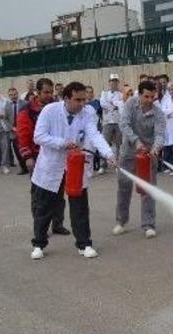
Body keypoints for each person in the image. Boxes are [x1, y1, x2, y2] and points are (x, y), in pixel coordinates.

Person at [30, 81, 115, 260]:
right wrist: (62, 143)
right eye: (78, 100)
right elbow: (38, 136)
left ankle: (84, 244)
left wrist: (108, 153)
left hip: (75, 166)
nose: (82, 104)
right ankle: (39, 243)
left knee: (80, 207)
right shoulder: (50, 111)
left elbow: (94, 134)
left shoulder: (88, 112)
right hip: (51, 166)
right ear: (66, 98)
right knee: (44, 207)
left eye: (84, 99)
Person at [17, 78, 70, 237]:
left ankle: (57, 224)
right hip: (37, 157)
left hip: (57, 155)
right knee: (39, 195)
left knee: (59, 192)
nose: (49, 95)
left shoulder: (58, 107)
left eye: (51, 92)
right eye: (46, 92)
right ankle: (40, 227)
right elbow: (23, 135)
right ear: (37, 93)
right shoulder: (26, 111)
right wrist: (27, 157)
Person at [115, 80, 166, 239]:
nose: (150, 100)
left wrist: (156, 148)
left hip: (148, 155)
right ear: (139, 94)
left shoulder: (158, 113)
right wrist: (136, 141)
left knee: (148, 189)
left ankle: (148, 224)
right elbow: (124, 125)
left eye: (153, 97)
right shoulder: (130, 104)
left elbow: (160, 134)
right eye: (147, 96)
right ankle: (121, 221)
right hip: (128, 153)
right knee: (124, 187)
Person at [99, 74, 125, 173]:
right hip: (107, 122)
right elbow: (103, 104)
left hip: (118, 121)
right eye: (112, 81)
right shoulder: (104, 93)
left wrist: (114, 104)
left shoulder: (121, 93)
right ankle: (103, 165)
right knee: (104, 143)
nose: (113, 83)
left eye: (115, 81)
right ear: (109, 82)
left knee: (119, 144)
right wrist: (114, 106)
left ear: (117, 82)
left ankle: (118, 165)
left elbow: (121, 104)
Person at [5, 87, 28, 174]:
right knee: (17, 150)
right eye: (11, 95)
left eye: (14, 94)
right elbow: (5, 119)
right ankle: (23, 168)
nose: (13, 96)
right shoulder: (7, 105)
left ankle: (30, 166)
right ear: (9, 96)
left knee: (26, 149)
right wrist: (12, 127)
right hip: (13, 132)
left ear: (17, 94)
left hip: (24, 130)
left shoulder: (25, 103)